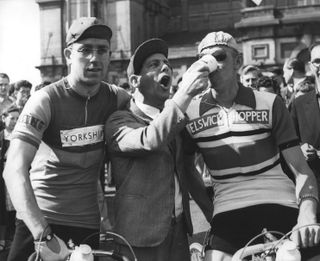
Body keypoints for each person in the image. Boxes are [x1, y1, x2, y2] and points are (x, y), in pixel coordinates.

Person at [183, 31, 320, 261]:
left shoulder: (270, 103)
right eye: (204, 60)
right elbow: (187, 170)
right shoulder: (190, 113)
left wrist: (307, 214)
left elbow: (301, 170)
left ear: (238, 61)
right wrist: (211, 213)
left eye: (219, 56)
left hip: (280, 201)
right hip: (227, 210)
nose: (211, 65)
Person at [3, 17, 130, 261]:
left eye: (102, 50)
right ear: (68, 55)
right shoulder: (45, 100)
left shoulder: (118, 99)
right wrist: (42, 233)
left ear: (109, 55)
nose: (94, 58)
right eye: (85, 50)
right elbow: (13, 169)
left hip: (86, 225)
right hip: (40, 221)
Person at [104, 38, 213, 261]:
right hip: (139, 239)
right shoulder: (119, 121)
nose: (165, 67)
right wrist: (185, 94)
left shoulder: (176, 118)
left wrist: (214, 217)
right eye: (153, 64)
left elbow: (188, 170)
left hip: (179, 233)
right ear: (134, 81)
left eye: (166, 64)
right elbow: (149, 139)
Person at [290, 42, 320, 220]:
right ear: (310, 66)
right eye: (317, 61)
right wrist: (299, 150)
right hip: (314, 196)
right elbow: (289, 143)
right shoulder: (299, 103)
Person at [0, 107, 20, 252]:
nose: (15, 121)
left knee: (17, 206)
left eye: (17, 118)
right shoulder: (1, 136)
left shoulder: (21, 136)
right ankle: (2, 238)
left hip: (17, 176)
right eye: (12, 118)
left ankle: (14, 238)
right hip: (2, 178)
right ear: (4, 118)